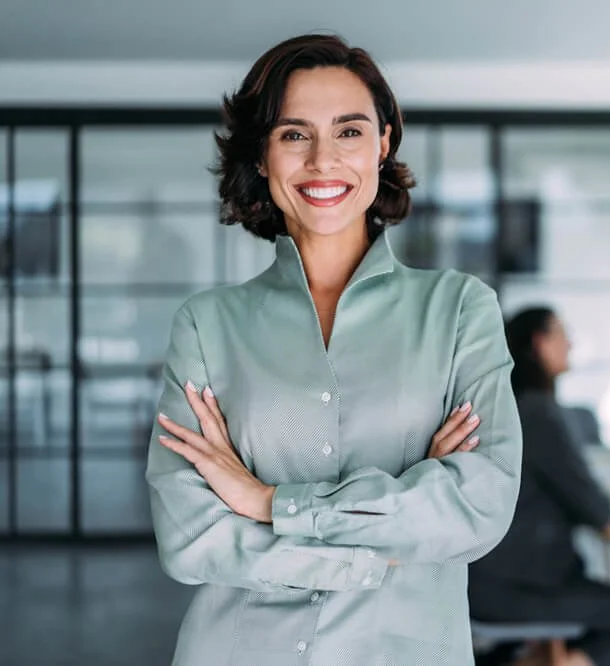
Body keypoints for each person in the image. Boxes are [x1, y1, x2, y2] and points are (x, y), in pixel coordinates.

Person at [145, 34, 522, 665]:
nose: (323, 159)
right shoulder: (207, 325)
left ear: (384, 143)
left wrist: (267, 504)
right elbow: (189, 540)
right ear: (262, 157)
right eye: (294, 134)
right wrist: (395, 531)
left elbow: (478, 509)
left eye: (349, 131)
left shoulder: (460, 309)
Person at [469, 307, 610, 666]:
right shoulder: (540, 414)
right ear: (540, 344)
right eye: (562, 334)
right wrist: (607, 508)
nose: (570, 343)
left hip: (487, 578)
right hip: (515, 587)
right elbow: (596, 509)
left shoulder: (508, 407)